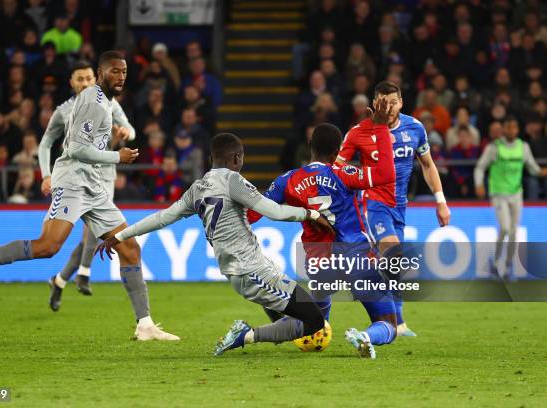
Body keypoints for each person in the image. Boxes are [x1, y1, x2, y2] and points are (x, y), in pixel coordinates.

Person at [0, 51, 179, 342]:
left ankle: (145, 324)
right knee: (47, 246)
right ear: (101, 73)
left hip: (93, 185)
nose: (120, 77)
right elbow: (77, 149)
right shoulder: (93, 103)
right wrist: (116, 156)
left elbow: (122, 131)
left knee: (129, 247)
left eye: (124, 72)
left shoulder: (105, 102)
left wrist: (119, 141)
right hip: (72, 181)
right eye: (114, 72)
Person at [96, 133, 333, 356]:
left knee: (290, 312)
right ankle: (245, 335)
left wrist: (120, 235)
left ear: (211, 159)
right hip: (251, 270)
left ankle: (270, 332)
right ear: (236, 158)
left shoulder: (197, 188)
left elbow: (162, 218)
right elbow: (274, 211)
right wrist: (310, 214)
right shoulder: (233, 181)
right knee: (314, 321)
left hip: (244, 269)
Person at [248, 101, 398, 359]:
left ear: (310, 147)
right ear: (337, 151)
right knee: (388, 322)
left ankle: (270, 317)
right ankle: (366, 336)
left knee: (314, 324)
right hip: (355, 257)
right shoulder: (346, 173)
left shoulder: (288, 180)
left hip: (320, 264)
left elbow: (253, 214)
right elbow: (385, 174)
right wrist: (382, 129)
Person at [337, 81, 451, 337]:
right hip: (373, 203)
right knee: (394, 256)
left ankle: (397, 323)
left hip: (400, 206)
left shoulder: (415, 128)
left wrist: (441, 200)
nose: (388, 108)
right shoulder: (358, 132)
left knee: (394, 266)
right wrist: (359, 177)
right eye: (383, 102)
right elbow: (337, 168)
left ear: (402, 103)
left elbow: (428, 164)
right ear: (375, 103)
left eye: (393, 102)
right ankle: (384, 308)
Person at [38, 60, 135, 308]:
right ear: (71, 83)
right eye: (80, 79)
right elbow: (46, 143)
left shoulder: (110, 102)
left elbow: (130, 130)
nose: (85, 83)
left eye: (89, 78)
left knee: (92, 234)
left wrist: (125, 134)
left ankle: (61, 280)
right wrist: (45, 174)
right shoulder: (63, 111)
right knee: (91, 233)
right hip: (75, 175)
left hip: (104, 174)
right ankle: (81, 272)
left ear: (96, 78)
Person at [474, 116, 547, 279]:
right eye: (508, 127)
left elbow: (532, 167)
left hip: (516, 193)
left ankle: (506, 266)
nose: (511, 130)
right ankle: (495, 262)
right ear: (503, 129)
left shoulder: (523, 147)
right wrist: (479, 184)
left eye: (514, 127)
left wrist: (541, 171)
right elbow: (480, 167)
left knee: (513, 231)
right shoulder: (495, 147)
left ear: (517, 130)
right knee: (506, 228)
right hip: (499, 193)